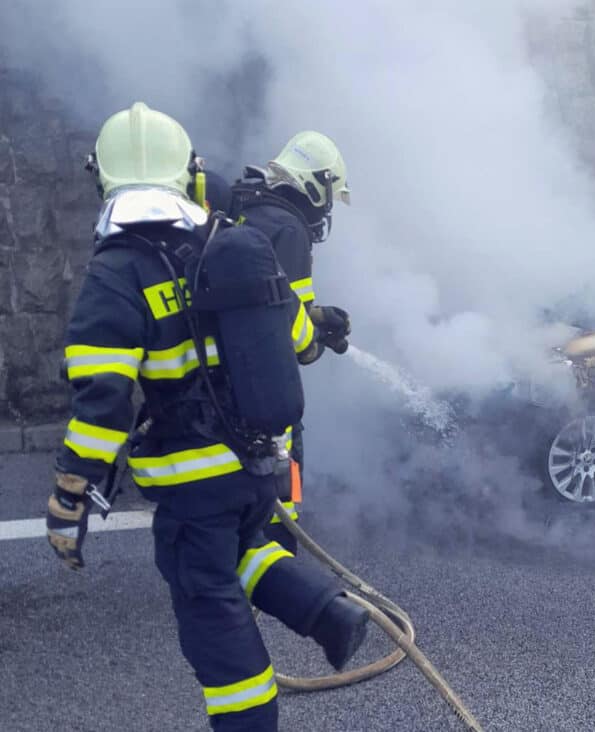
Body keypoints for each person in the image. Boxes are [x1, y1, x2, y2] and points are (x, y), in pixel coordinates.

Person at [45, 102, 367, 732]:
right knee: (244, 549)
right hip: (257, 462)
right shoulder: (228, 243)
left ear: (102, 176)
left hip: (193, 479)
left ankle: (249, 723)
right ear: (187, 171)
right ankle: (331, 614)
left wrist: (69, 492)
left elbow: (102, 402)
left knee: (207, 603)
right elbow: (297, 338)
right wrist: (320, 323)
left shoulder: (117, 274)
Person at [204, 132, 351, 551]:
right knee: (282, 479)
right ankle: (278, 549)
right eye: (328, 196)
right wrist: (315, 340)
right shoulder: (290, 230)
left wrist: (319, 317)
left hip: (219, 370)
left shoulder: (244, 203)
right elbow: (291, 328)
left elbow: (276, 299)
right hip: (264, 376)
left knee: (231, 482)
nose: (326, 208)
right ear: (315, 185)